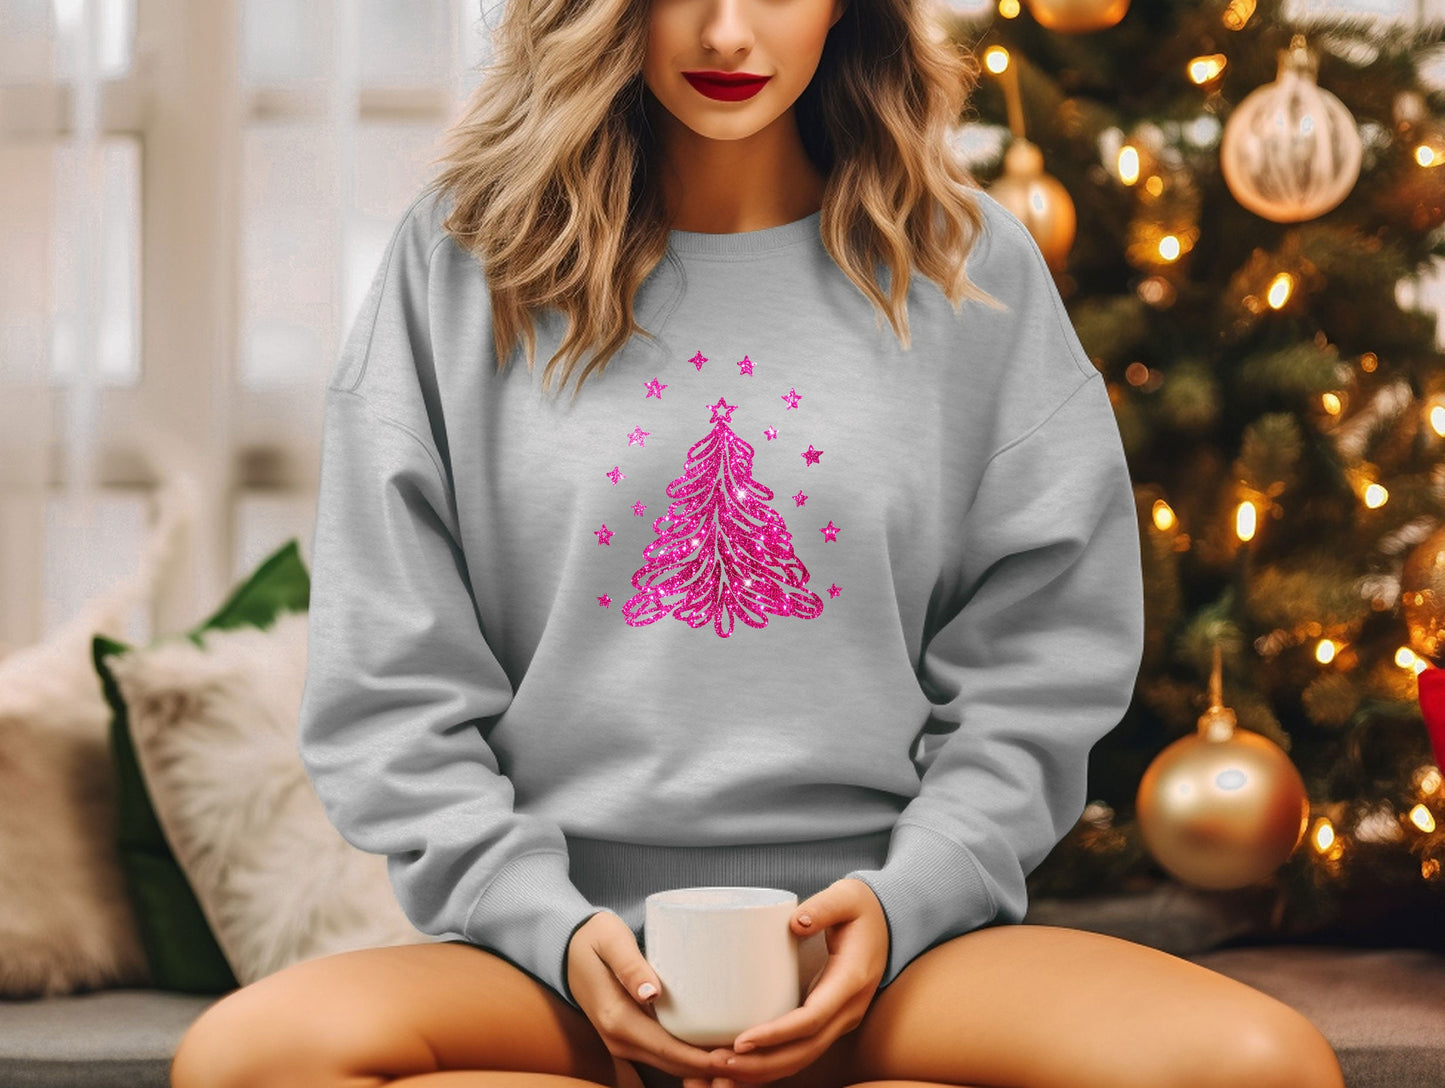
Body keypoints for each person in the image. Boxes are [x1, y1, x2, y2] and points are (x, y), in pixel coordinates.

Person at [170, 0, 1348, 1083]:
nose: (726, 31)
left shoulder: (968, 264)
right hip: (557, 965)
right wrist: (550, 922)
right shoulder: (457, 261)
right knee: (248, 1059)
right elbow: (390, 689)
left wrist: (900, 903)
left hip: (892, 955)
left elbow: (1033, 677)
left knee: (1260, 1063)